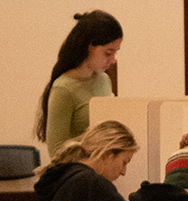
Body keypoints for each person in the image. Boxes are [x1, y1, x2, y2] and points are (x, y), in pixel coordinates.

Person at [35, 10, 123, 155]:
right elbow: (56, 151)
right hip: (77, 171)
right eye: (108, 53)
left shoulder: (104, 80)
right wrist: (98, 136)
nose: (112, 60)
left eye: (115, 53)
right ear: (89, 46)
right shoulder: (63, 88)